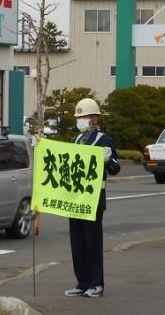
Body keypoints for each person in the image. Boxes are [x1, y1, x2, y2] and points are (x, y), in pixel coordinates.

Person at [64, 98, 120, 299]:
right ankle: (82, 282)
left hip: (94, 199)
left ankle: (96, 284)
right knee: (77, 243)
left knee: (92, 242)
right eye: (79, 117)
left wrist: (108, 160)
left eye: (84, 117)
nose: (81, 120)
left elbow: (115, 168)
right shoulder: (75, 140)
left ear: (94, 118)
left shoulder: (105, 140)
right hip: (75, 198)